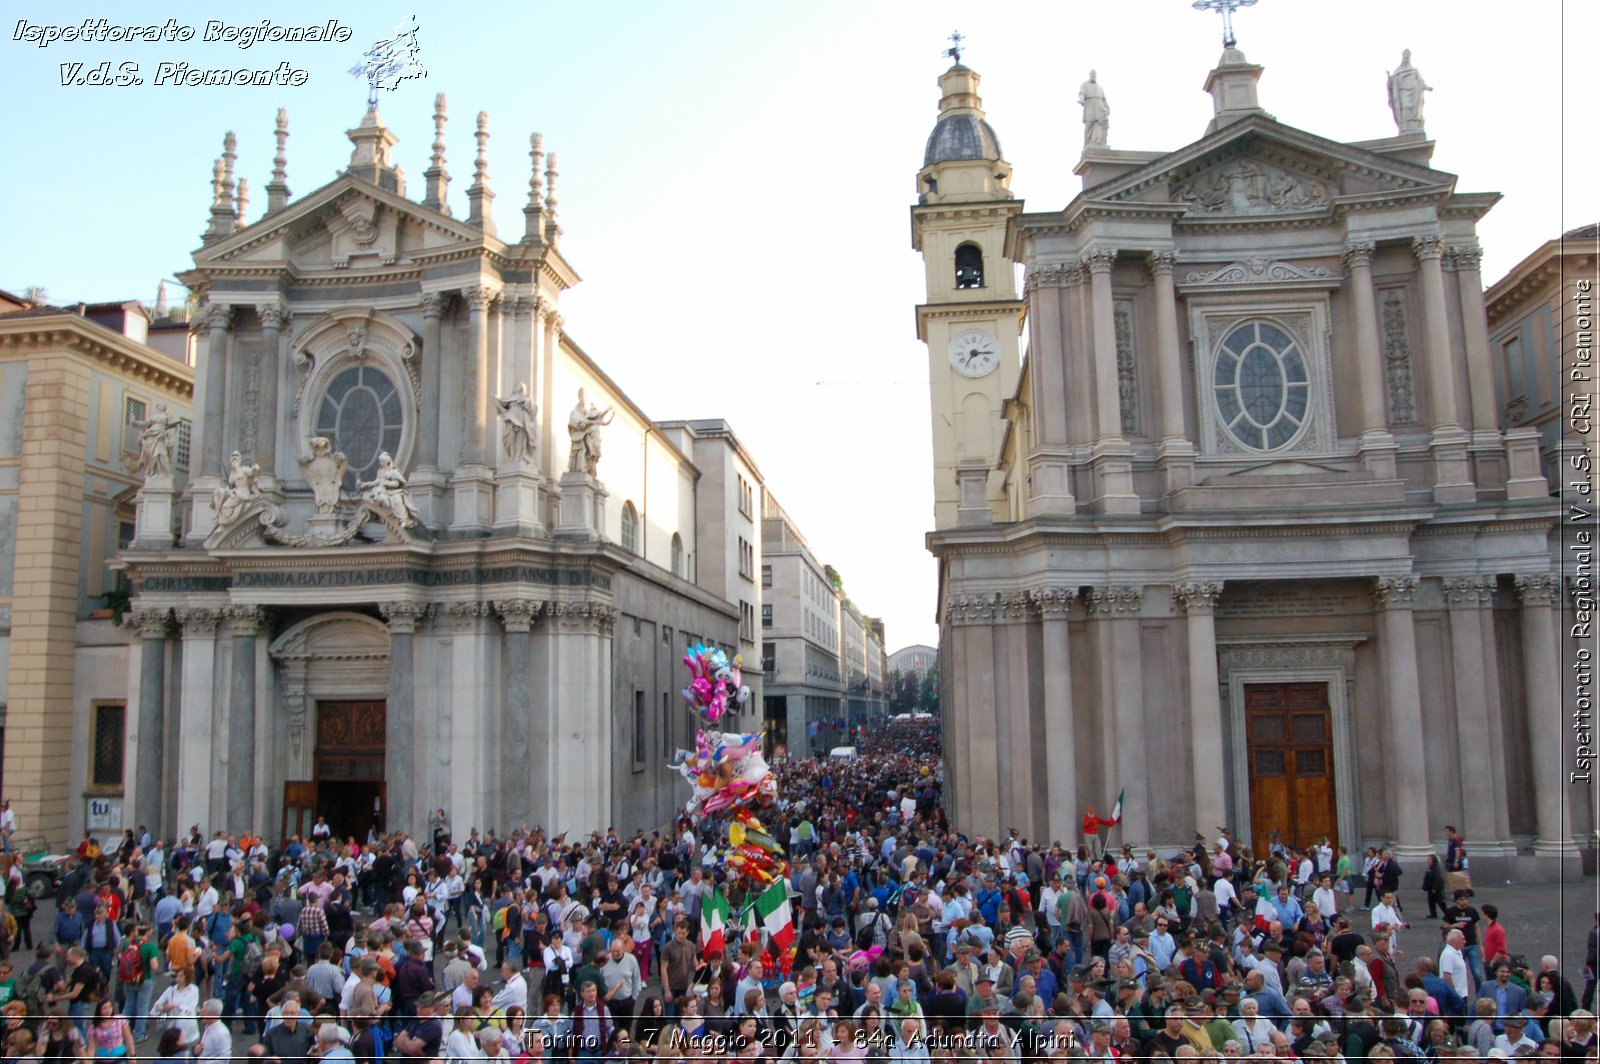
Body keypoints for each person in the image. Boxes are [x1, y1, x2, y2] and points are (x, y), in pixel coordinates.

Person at [1387, 49, 1431, 134]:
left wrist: (1427, 87)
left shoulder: (1414, 70)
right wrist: (1389, 78)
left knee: (1415, 112)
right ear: (1402, 59)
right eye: (1405, 58)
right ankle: (1404, 128)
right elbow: (1392, 83)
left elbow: (1421, 82)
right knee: (1405, 108)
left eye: (1408, 58)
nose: (1406, 60)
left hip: (1415, 92)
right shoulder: (1398, 71)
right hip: (1403, 92)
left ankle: (1415, 127)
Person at [193, 998, 231, 1063]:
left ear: (212, 1014)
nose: (200, 1015)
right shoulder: (208, 1027)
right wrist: (196, 1052)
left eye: (203, 1012)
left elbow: (225, 1059)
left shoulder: (222, 1033)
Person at [1078, 70, 1110, 147]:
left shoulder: (1099, 87)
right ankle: (1087, 143)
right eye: (1092, 74)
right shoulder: (1085, 85)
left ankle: (1099, 142)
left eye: (1095, 74)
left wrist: (1107, 107)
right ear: (1090, 75)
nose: (1093, 76)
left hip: (1100, 106)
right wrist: (1082, 99)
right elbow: (1082, 93)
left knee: (1100, 124)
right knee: (1089, 124)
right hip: (1090, 105)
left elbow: (1104, 99)